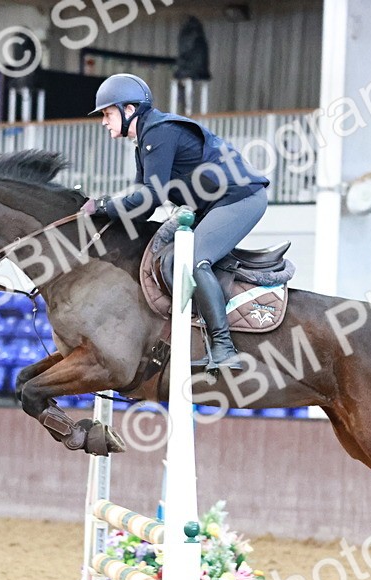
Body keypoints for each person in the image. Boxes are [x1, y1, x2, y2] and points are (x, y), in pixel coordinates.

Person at [82, 73, 269, 370]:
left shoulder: (159, 133)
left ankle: (224, 348)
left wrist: (104, 204)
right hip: (214, 203)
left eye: (107, 113)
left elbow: (151, 198)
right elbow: (141, 208)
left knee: (194, 261)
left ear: (129, 110)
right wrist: (103, 215)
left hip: (240, 198)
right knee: (167, 258)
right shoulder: (145, 141)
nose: (104, 121)